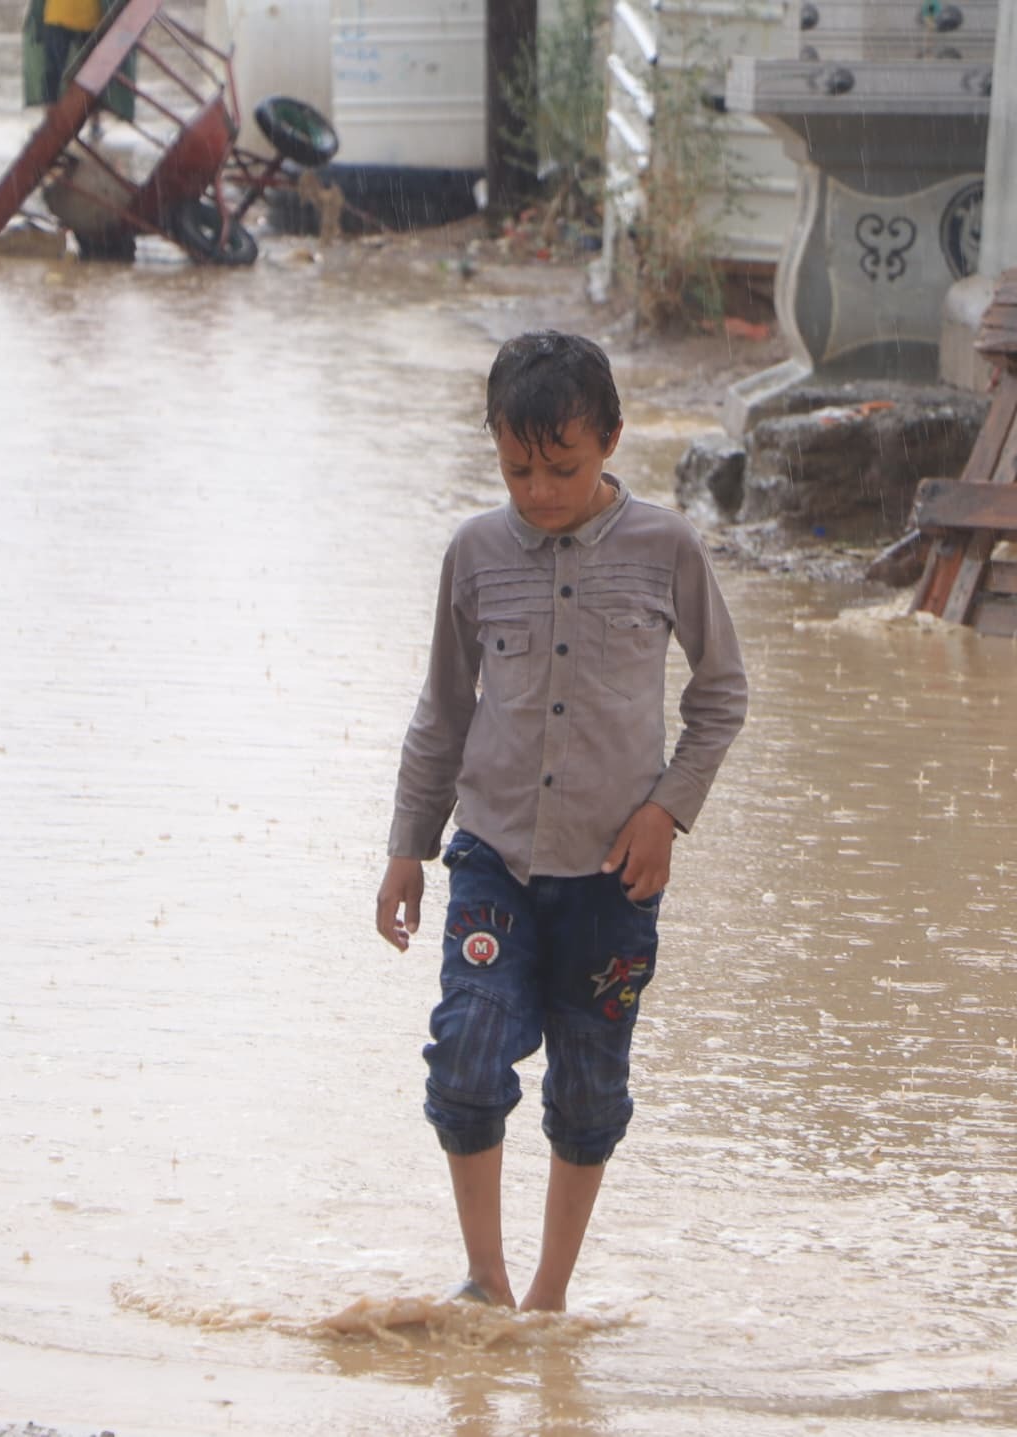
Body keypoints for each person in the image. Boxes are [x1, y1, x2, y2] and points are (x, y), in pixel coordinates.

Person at [376, 332, 747, 1312]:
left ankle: (546, 1300)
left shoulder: (667, 549)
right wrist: (406, 849)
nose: (538, 491)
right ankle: (485, 1282)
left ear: (612, 442)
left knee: (587, 1094)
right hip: (491, 856)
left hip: (615, 881)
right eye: (517, 469)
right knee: (464, 1057)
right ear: (494, 448)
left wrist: (669, 811)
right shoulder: (474, 553)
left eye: (563, 468)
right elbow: (443, 711)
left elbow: (721, 697)